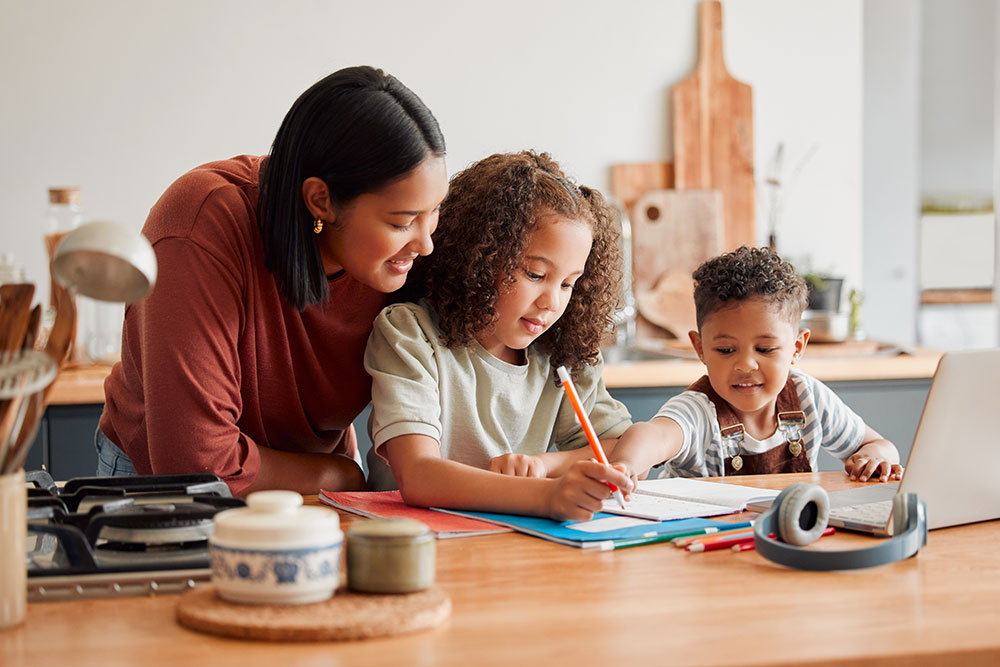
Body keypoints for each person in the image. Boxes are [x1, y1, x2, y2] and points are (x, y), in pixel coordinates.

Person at [96, 66, 449, 496]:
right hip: (169, 493)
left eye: (434, 212)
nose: (426, 243)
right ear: (321, 200)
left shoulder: (396, 256)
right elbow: (199, 465)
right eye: (402, 222)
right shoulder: (200, 228)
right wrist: (341, 475)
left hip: (314, 478)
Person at [364, 151, 634, 521]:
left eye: (569, 283)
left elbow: (621, 449)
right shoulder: (412, 334)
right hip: (407, 542)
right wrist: (544, 495)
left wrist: (544, 465)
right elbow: (418, 475)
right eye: (535, 275)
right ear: (481, 257)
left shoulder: (562, 356)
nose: (552, 302)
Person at [610, 245, 903, 482]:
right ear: (700, 348)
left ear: (796, 347)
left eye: (765, 348)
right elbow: (653, 435)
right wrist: (626, 464)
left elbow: (878, 445)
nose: (746, 364)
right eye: (726, 349)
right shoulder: (697, 411)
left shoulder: (808, 396)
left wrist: (876, 458)